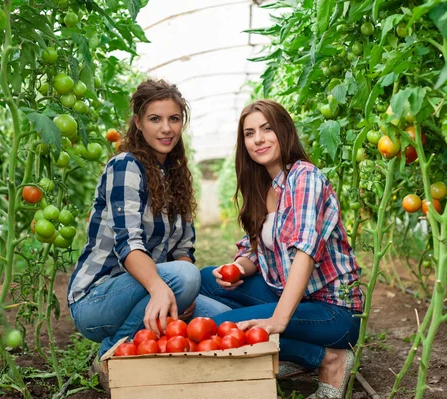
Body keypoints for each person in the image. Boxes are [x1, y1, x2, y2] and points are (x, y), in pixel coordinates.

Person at [199, 100, 363, 399]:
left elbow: (305, 252)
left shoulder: (304, 177)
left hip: (331, 311)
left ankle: (330, 358)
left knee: (221, 326)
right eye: (249, 133)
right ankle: (291, 349)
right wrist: (237, 268)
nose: (258, 139)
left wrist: (278, 320)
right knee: (204, 280)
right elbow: (253, 252)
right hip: (285, 293)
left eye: (266, 128)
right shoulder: (264, 187)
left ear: (284, 131)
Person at [67, 79, 216, 389]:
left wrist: (181, 293)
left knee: (219, 318)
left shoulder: (176, 176)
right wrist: (165, 287)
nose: (166, 128)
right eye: (155, 119)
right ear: (138, 123)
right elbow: (128, 243)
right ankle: (114, 351)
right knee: (186, 278)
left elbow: (183, 249)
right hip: (98, 298)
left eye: (174, 119)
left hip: (151, 288)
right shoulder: (125, 167)